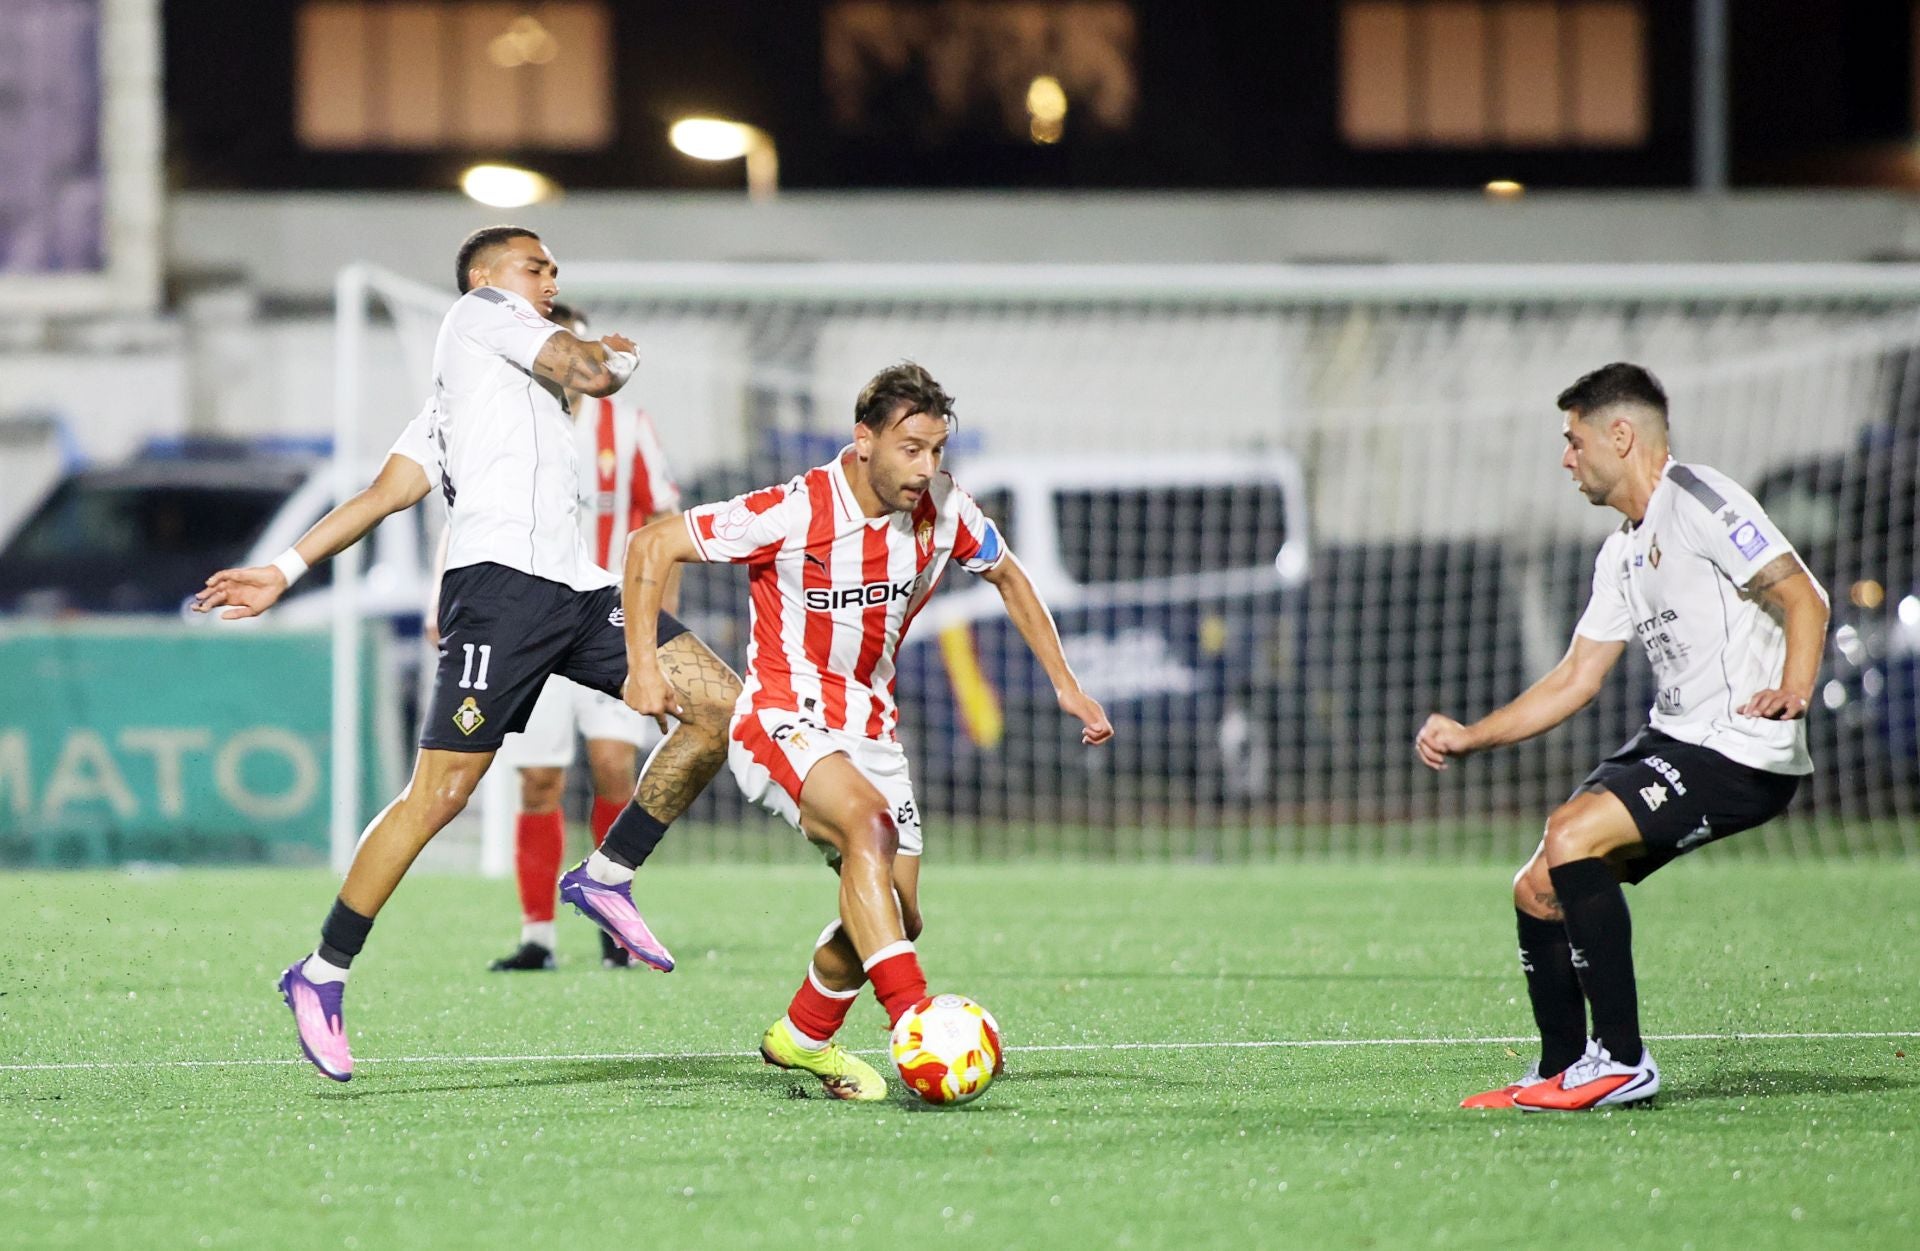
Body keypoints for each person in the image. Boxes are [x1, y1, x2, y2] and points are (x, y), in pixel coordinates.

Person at [193, 226, 741, 1082]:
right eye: (536, 265)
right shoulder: (482, 312)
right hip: (500, 595)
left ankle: (606, 872)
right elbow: (590, 369)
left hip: (578, 588)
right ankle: (322, 971)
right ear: (485, 280)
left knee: (720, 706)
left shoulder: (468, 395)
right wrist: (283, 570)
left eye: (555, 267)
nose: (551, 276)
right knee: (439, 795)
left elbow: (383, 492)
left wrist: (284, 566)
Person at [577, 360, 1113, 1101]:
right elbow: (650, 542)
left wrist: (1068, 686)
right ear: (864, 441)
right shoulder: (796, 508)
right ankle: (914, 1021)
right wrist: (642, 664)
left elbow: (1011, 576)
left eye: (936, 450)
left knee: (900, 914)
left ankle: (802, 1035)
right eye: (910, 448)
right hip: (780, 716)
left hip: (871, 730)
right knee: (867, 825)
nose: (926, 468)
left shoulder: (947, 510)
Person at [1415, 362, 1829, 1111]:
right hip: (1676, 740)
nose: (1566, 458)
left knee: (1573, 833)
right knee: (1538, 887)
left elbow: (1805, 594)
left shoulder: (1703, 500)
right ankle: (1564, 1068)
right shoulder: (1622, 551)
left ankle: (1624, 1061)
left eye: (1574, 441)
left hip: (1741, 749)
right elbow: (1576, 677)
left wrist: (1795, 689)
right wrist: (1471, 735)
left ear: (1620, 434)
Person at [481, 301, 686, 972]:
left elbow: (665, 524)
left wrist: (659, 631)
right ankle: (537, 935)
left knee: (612, 766)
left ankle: (611, 914)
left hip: (610, 621)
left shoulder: (626, 429)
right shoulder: (511, 429)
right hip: (534, 624)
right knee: (538, 779)